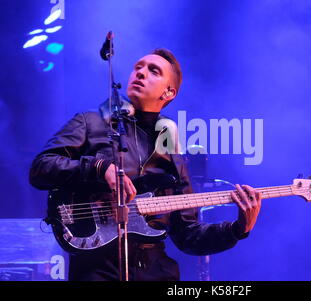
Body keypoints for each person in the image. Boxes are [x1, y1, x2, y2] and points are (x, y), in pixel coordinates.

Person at [29, 48, 262, 281]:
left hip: (156, 270)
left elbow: (188, 235)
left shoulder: (170, 148)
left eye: (153, 71)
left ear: (168, 92)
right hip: (97, 267)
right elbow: (42, 167)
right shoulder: (91, 121)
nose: (140, 73)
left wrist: (237, 229)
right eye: (138, 67)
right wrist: (99, 168)